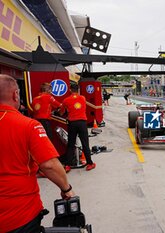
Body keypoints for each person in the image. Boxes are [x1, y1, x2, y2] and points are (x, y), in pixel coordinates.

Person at [0, 74, 75, 233]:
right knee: (44, 151)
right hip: (18, 216)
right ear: (15, 95)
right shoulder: (28, 126)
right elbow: (49, 165)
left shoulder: (35, 101)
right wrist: (66, 188)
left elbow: (34, 109)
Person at [60, 83, 96, 171]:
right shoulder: (83, 98)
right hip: (82, 123)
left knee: (71, 144)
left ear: (70, 90)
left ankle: (68, 165)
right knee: (85, 143)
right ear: (78, 90)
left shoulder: (66, 100)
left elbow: (61, 112)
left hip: (72, 123)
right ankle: (90, 163)